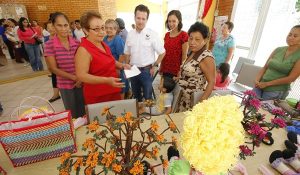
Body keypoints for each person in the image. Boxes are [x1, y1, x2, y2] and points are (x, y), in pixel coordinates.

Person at [75, 11, 131, 105]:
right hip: (98, 96)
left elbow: (110, 60)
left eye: (102, 28)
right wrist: (106, 80)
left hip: (112, 91)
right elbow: (81, 75)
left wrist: (122, 65)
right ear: (85, 30)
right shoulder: (83, 50)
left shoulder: (102, 43)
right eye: (96, 29)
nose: (102, 32)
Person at [124, 4, 165, 111]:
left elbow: (162, 52)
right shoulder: (130, 34)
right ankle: (139, 114)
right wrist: (126, 66)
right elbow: (127, 52)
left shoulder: (152, 34)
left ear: (147, 20)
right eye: (138, 18)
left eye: (143, 18)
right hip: (133, 70)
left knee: (148, 96)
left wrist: (155, 65)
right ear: (134, 18)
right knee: (136, 95)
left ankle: (150, 116)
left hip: (147, 71)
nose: (140, 21)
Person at [44, 12, 85, 118]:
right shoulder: (49, 45)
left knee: (85, 110)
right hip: (65, 84)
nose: (63, 29)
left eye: (65, 25)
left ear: (70, 26)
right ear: (53, 26)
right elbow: (53, 68)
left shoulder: (76, 43)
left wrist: (80, 79)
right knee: (73, 114)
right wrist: (74, 78)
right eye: (59, 25)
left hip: (81, 82)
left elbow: (83, 63)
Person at [175, 22, 215, 112]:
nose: (192, 42)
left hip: (194, 101)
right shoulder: (192, 52)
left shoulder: (206, 57)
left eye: (197, 39)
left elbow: (212, 81)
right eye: (191, 38)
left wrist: (201, 102)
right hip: (183, 98)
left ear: (204, 40)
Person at [254, 25, 300, 100]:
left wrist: (267, 84)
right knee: (247, 107)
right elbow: (265, 67)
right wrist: (256, 80)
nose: (290, 37)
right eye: (289, 34)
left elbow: (291, 78)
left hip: (275, 91)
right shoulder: (278, 49)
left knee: (262, 111)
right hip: (260, 85)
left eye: (295, 36)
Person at [103, 19, 129, 99]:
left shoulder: (117, 39)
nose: (108, 30)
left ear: (116, 29)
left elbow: (121, 55)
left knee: (120, 89)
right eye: (106, 28)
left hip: (118, 69)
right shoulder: (105, 39)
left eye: (111, 28)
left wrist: (118, 69)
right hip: (109, 68)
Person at [160, 10, 188, 78]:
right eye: (169, 21)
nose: (171, 23)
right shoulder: (167, 35)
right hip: (165, 67)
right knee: (162, 87)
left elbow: (184, 56)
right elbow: (165, 52)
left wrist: (181, 71)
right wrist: (161, 66)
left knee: (172, 88)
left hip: (176, 70)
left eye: (174, 21)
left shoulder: (184, 35)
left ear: (179, 21)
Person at [45, 21, 61, 103]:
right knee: (54, 77)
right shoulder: (47, 39)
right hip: (53, 62)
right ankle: (56, 94)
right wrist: (48, 65)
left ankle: (58, 94)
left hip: (61, 62)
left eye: (51, 26)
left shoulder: (60, 37)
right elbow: (46, 54)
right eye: (48, 27)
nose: (50, 29)